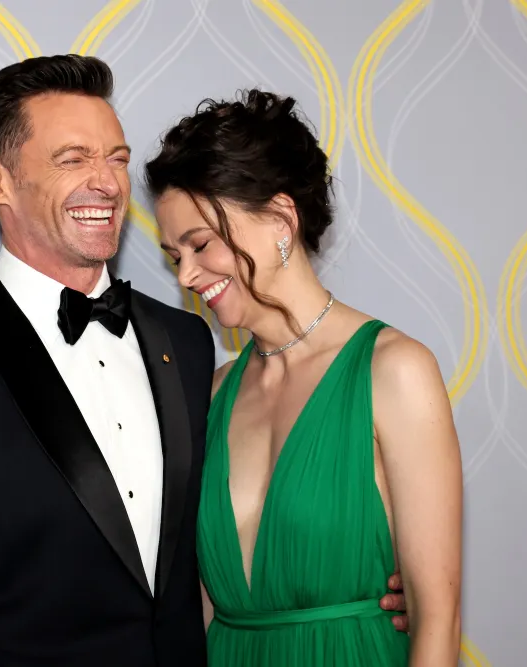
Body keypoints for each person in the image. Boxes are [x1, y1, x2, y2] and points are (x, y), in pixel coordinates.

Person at [0, 55, 408, 666]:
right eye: (73, 159)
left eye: (115, 158)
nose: (109, 183)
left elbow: (232, 527)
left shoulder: (189, 343)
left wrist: (367, 582)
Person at [145, 89, 462, 666]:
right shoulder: (212, 395)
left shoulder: (394, 372)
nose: (187, 274)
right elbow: (202, 611)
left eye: (200, 245)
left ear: (280, 219)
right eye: (174, 257)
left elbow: (437, 622)